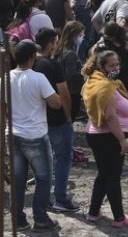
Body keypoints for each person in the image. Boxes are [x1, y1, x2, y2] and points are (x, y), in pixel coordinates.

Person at [10, 40, 63, 232]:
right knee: (43, 178)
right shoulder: (38, 78)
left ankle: (18, 219)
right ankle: (40, 219)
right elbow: (55, 103)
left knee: (17, 180)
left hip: (13, 135)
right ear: (33, 57)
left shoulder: (4, 79)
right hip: (35, 136)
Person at [82, 49, 128, 227]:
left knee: (104, 175)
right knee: (113, 177)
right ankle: (119, 218)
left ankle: (93, 212)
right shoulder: (106, 87)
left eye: (117, 64)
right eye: (111, 65)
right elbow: (110, 117)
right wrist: (122, 140)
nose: (116, 67)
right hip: (108, 138)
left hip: (98, 135)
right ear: (102, 66)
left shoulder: (95, 81)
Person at [31, 29, 81, 215]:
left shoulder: (29, 63)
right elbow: (64, 94)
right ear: (51, 43)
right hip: (57, 120)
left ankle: (44, 201)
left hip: (37, 121)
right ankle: (60, 198)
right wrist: (67, 116)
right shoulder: (52, 65)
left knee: (42, 163)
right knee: (63, 158)